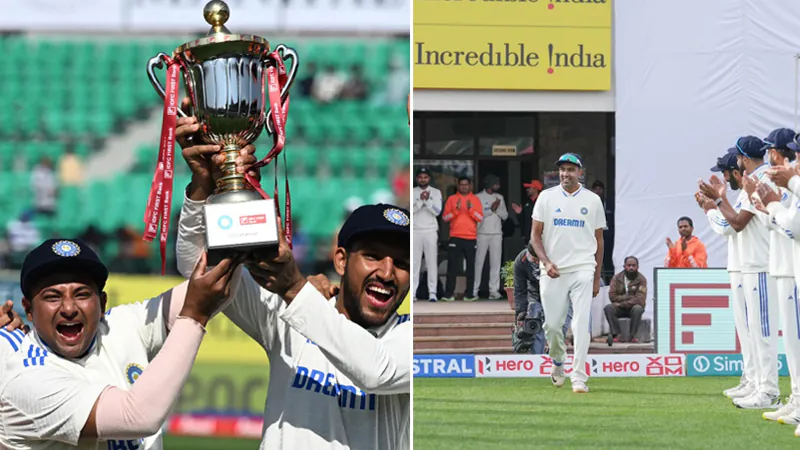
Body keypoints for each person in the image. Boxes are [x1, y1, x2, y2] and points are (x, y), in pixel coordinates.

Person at [174, 113, 411, 449]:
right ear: (341, 260)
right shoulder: (289, 313)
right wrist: (203, 186)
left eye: (401, 263)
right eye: (372, 256)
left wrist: (295, 289)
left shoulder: (412, 338)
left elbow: (376, 372)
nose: (387, 273)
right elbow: (195, 266)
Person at [0, 238, 241, 449]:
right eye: (52, 296)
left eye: (82, 294)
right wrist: (194, 316)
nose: (69, 308)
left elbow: (214, 283)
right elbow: (138, 417)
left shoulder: (121, 326)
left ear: (102, 303)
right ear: (29, 310)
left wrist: (242, 236)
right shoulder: (26, 377)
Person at [698, 135, 780, 409]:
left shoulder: (759, 182)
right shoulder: (750, 184)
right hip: (752, 266)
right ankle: (757, 384)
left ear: (744, 159)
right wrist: (718, 202)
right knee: (754, 331)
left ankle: (767, 390)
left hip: (761, 265)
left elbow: (735, 224)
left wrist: (715, 204)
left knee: (763, 332)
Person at [530, 153, 605, 393]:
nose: (565, 174)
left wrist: (595, 278)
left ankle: (579, 377)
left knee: (581, 324)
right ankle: (558, 361)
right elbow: (535, 236)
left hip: (583, 267)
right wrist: (546, 262)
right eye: (562, 169)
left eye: (571, 169)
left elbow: (599, 240)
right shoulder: (546, 197)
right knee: (552, 326)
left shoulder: (593, 200)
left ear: (580, 172)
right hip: (553, 270)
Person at [697, 151, 756, 401]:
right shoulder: (742, 194)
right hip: (742, 266)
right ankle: (751, 379)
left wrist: (710, 209)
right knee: (745, 329)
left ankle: (756, 382)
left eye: (724, 172)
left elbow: (727, 228)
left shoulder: (748, 192)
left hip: (748, 267)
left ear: (735, 171)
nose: (723, 178)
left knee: (751, 329)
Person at [754, 128, 800, 424]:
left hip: (789, 266)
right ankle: (796, 400)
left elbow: (792, 227)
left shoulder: (790, 181)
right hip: (787, 266)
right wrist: (766, 208)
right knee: (793, 344)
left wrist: (770, 204)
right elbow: (784, 224)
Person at [513, 245, 571, 354]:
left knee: (558, 328)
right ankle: (537, 358)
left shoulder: (557, 258)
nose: (536, 262)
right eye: (534, 260)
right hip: (535, 295)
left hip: (558, 295)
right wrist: (520, 312)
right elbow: (519, 289)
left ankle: (555, 355)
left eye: (538, 260)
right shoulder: (521, 260)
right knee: (535, 326)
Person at [441, 177, 483, 302]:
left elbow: (480, 217)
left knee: (470, 267)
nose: (464, 187)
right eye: (461, 185)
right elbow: (445, 218)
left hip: (471, 237)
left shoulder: (475, 199)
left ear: (470, 186)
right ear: (458, 186)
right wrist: (456, 210)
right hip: (455, 236)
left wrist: (470, 210)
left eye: (466, 185)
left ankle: (469, 294)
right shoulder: (452, 199)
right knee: (452, 267)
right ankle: (449, 294)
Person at [473, 174, 508, 300]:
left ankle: (494, 290)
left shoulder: (500, 197)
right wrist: (490, 210)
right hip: (481, 233)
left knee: (496, 263)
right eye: (496, 183)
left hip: (497, 234)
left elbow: (505, 216)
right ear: (489, 184)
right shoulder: (477, 197)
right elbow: (477, 216)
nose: (498, 186)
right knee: (478, 263)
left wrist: (497, 209)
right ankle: (474, 290)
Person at [412, 167, 442, 302]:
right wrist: (420, 200)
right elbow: (411, 210)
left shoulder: (436, 192)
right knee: (415, 264)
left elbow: (437, 211)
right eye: (420, 177)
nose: (422, 179)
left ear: (429, 179)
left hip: (430, 231)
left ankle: (433, 293)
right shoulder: (412, 192)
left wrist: (428, 201)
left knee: (431, 263)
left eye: (425, 177)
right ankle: (412, 293)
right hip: (415, 230)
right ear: (417, 178)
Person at [604, 256, 646, 345]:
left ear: (637, 267)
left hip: (632, 308)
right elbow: (612, 296)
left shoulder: (641, 279)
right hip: (620, 308)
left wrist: (622, 303)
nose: (631, 268)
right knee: (609, 308)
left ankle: (632, 335)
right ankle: (617, 334)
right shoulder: (616, 278)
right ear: (624, 266)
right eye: (629, 265)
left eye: (633, 265)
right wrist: (630, 297)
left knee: (638, 308)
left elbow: (640, 299)